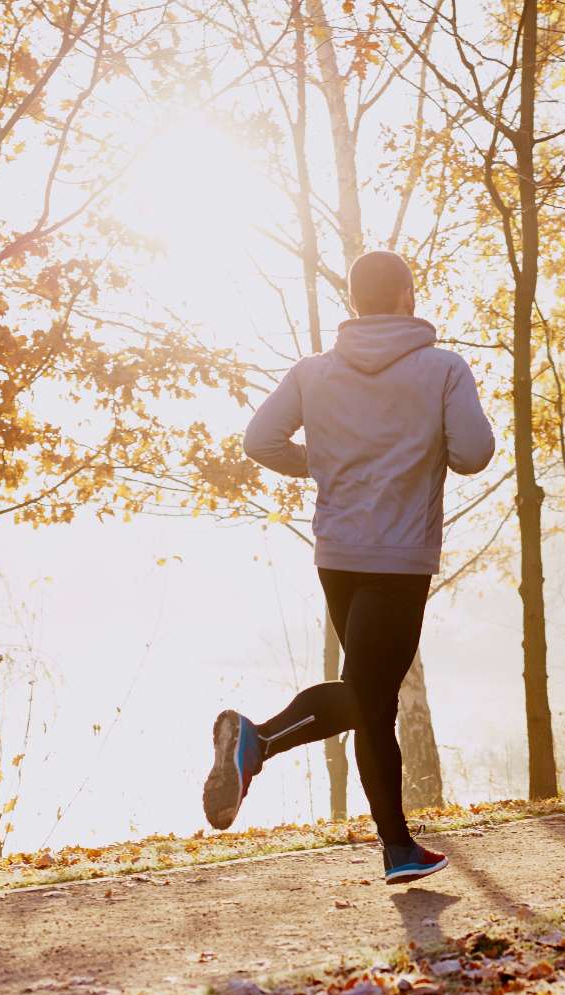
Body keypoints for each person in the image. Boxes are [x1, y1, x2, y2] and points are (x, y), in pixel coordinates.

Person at [204, 250, 497, 884]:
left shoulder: (314, 372)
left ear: (355, 303)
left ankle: (396, 847)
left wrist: (333, 462)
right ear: (407, 297)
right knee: (371, 694)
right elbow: (473, 453)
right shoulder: (443, 369)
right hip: (399, 557)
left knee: (370, 697)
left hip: (337, 553)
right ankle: (262, 741)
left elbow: (260, 442)